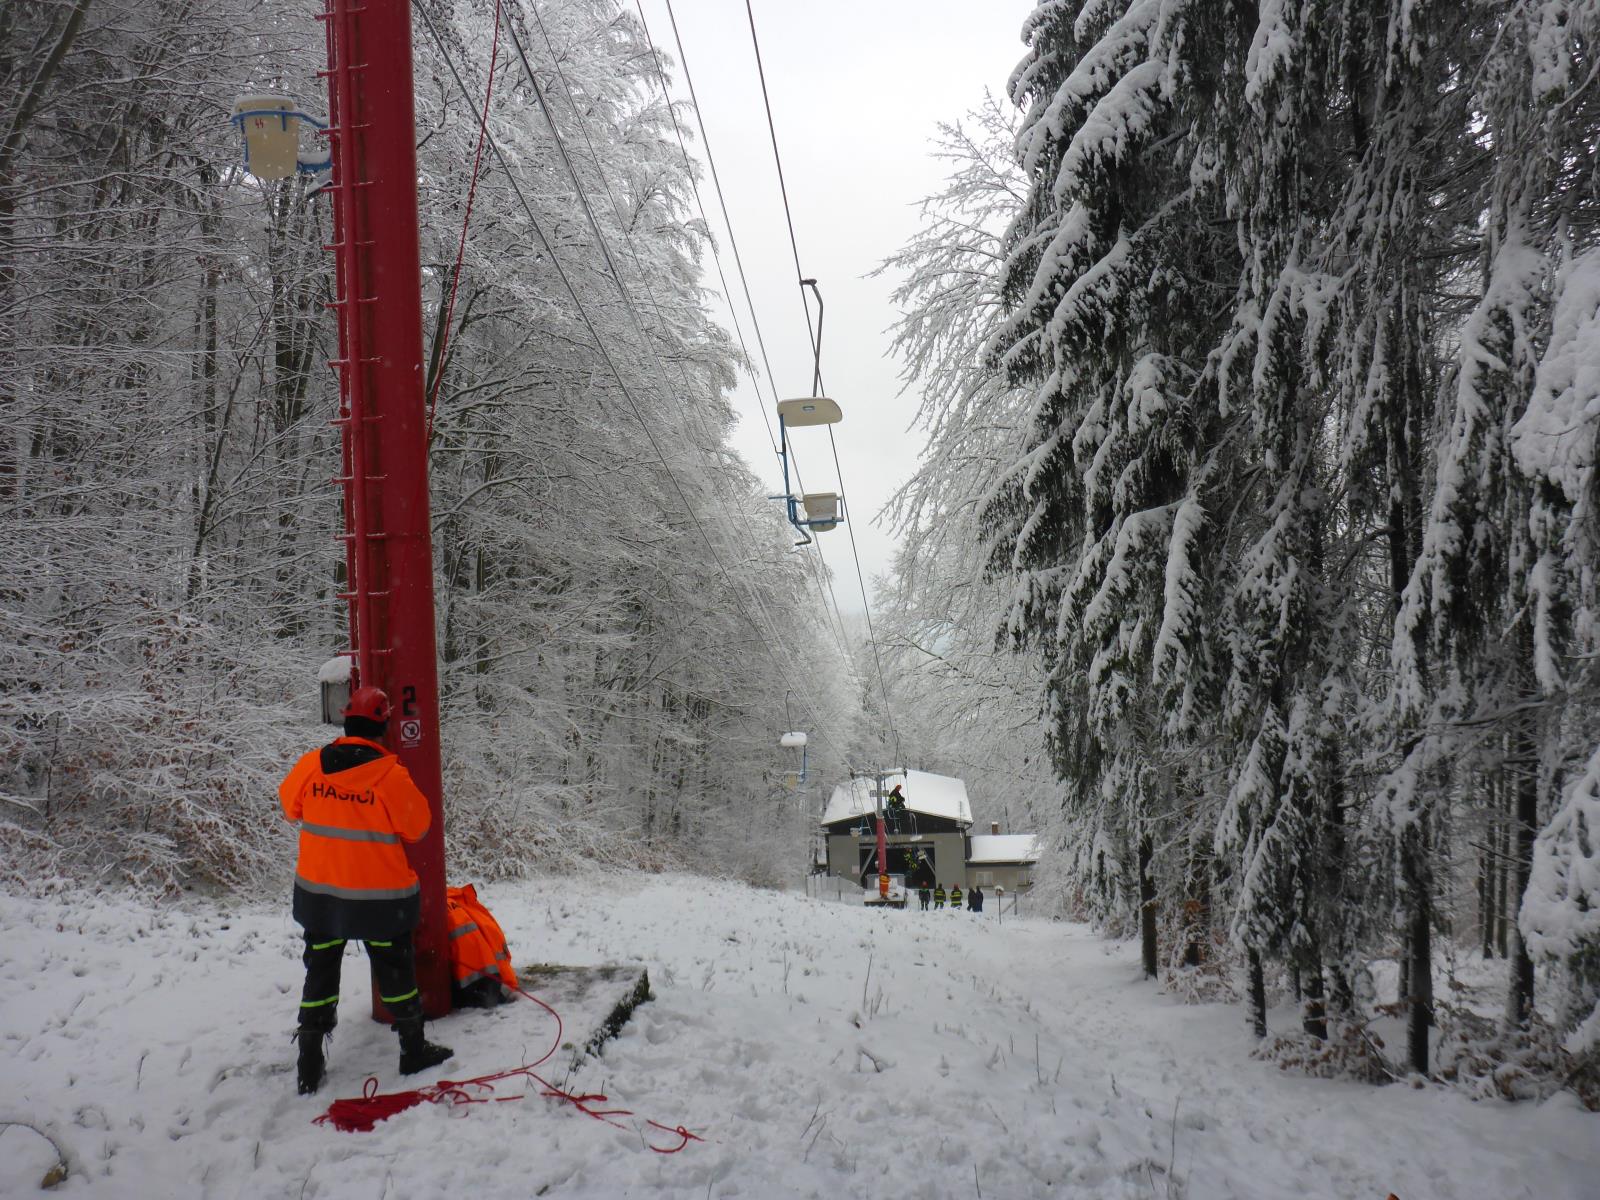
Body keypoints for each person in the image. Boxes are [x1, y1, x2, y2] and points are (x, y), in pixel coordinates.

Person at [279, 685, 453, 1095]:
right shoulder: (390, 777)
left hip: (320, 897)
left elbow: (290, 807)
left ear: (346, 721)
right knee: (397, 971)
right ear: (385, 726)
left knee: (319, 973)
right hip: (379, 902)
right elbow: (419, 827)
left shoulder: (312, 765)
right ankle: (413, 1049)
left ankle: (308, 1063)